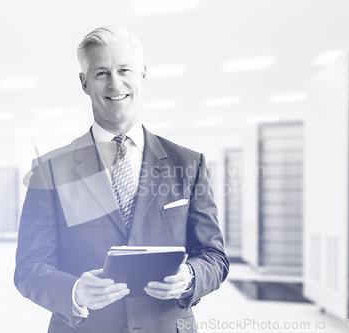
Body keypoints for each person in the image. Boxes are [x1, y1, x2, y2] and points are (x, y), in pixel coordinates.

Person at [14, 26, 229, 333]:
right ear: (84, 83)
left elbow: (214, 256)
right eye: (101, 73)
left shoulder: (188, 164)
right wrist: (75, 291)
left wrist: (191, 277)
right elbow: (28, 268)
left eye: (124, 69)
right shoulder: (49, 170)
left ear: (142, 74)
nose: (115, 83)